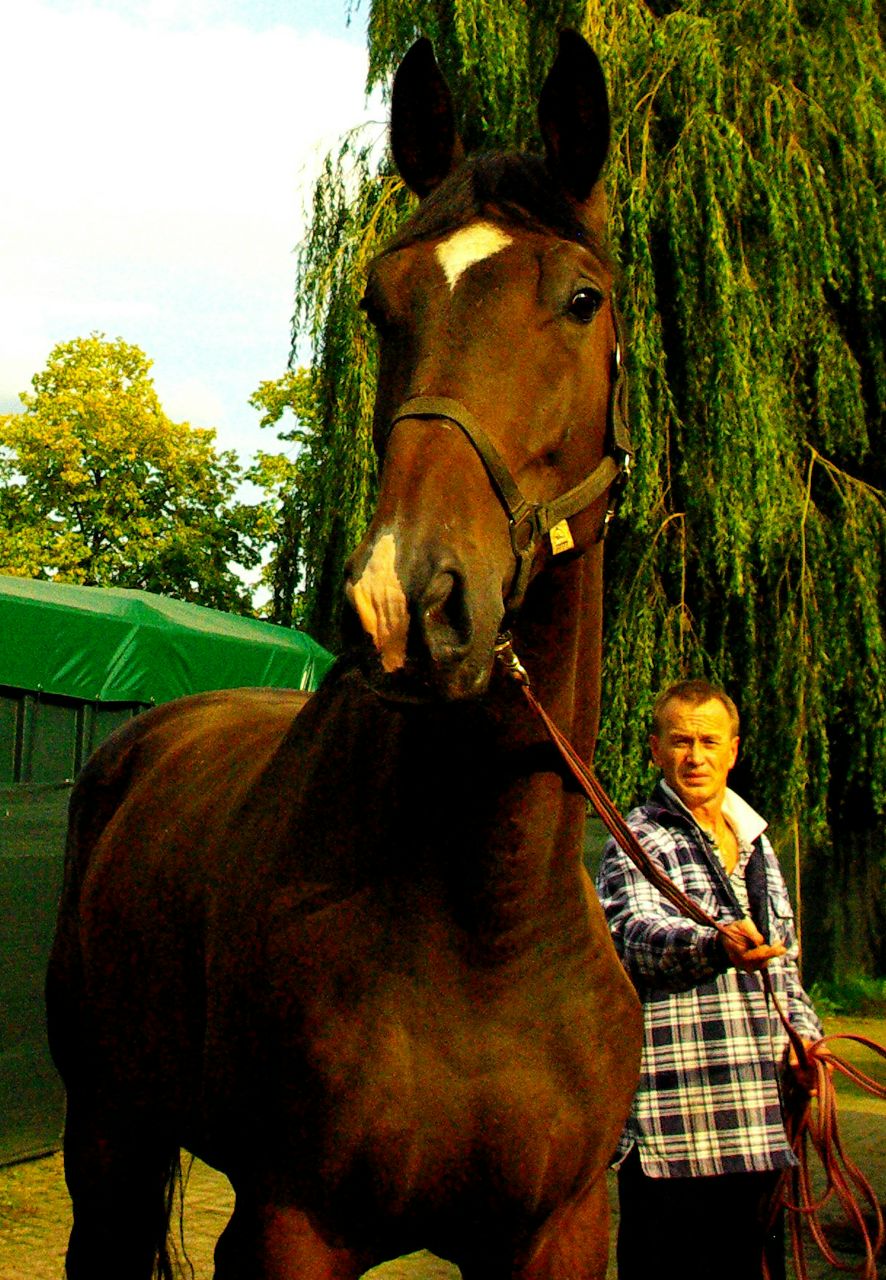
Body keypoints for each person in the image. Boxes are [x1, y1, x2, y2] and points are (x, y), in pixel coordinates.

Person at [595, 678, 823, 1280]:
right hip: (677, 1129)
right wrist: (712, 943)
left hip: (759, 1122)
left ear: (733, 750)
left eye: (708, 742)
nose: (695, 756)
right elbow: (630, 938)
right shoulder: (634, 838)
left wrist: (807, 1040)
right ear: (655, 750)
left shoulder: (757, 843)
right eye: (680, 741)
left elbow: (786, 960)